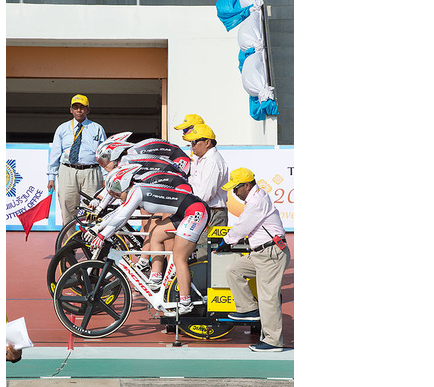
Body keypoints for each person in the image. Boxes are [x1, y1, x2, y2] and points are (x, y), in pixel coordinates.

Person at [86, 164, 210, 316]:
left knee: (179, 257)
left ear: (123, 185)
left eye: (117, 194)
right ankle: (156, 278)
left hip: (196, 211)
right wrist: (97, 228)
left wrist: (101, 235)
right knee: (156, 234)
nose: (116, 197)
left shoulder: (136, 192)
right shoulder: (134, 191)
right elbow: (118, 212)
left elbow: (122, 217)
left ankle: (186, 303)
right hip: (184, 211)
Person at [216, 168, 290, 352]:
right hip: (262, 253)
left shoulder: (256, 201)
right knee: (234, 270)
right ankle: (248, 309)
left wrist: (226, 241)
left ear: (247, 185)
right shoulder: (255, 197)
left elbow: (243, 226)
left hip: (271, 254)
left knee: (268, 297)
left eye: (236, 188)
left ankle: (273, 341)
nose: (234, 192)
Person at [47, 94, 106, 225]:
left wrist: (105, 176)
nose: (79, 110)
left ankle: (90, 242)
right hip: (67, 171)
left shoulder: (97, 128)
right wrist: (51, 176)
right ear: (71, 110)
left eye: (82, 107)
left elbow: (104, 155)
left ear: (88, 110)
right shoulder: (63, 129)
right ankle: (70, 243)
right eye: (75, 107)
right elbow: (55, 153)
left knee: (92, 208)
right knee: (67, 208)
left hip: (91, 172)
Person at [182, 123, 229, 260]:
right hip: (207, 211)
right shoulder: (204, 159)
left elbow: (204, 195)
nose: (192, 146)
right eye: (191, 142)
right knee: (200, 252)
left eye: (195, 142)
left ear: (207, 142)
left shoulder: (213, 161)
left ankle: (204, 281)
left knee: (205, 255)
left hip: (212, 213)